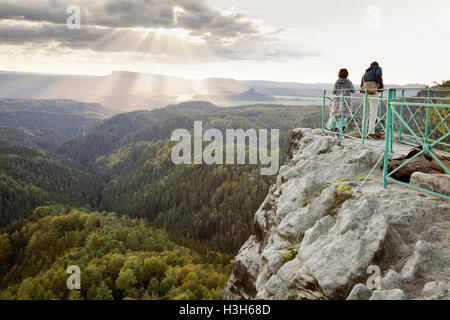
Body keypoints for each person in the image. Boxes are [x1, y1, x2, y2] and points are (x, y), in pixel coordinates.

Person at [326, 68, 355, 135]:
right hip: (346, 103)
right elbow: (353, 90)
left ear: (339, 74)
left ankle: (336, 133)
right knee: (344, 118)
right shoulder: (349, 83)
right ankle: (342, 133)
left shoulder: (337, 82)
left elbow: (334, 92)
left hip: (337, 102)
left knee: (336, 117)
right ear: (347, 74)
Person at [360, 61, 384, 137]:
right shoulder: (378, 69)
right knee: (373, 112)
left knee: (365, 113)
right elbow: (378, 75)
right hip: (373, 93)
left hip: (365, 93)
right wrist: (381, 86)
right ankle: (371, 133)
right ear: (377, 65)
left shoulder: (366, 72)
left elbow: (361, 84)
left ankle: (363, 133)